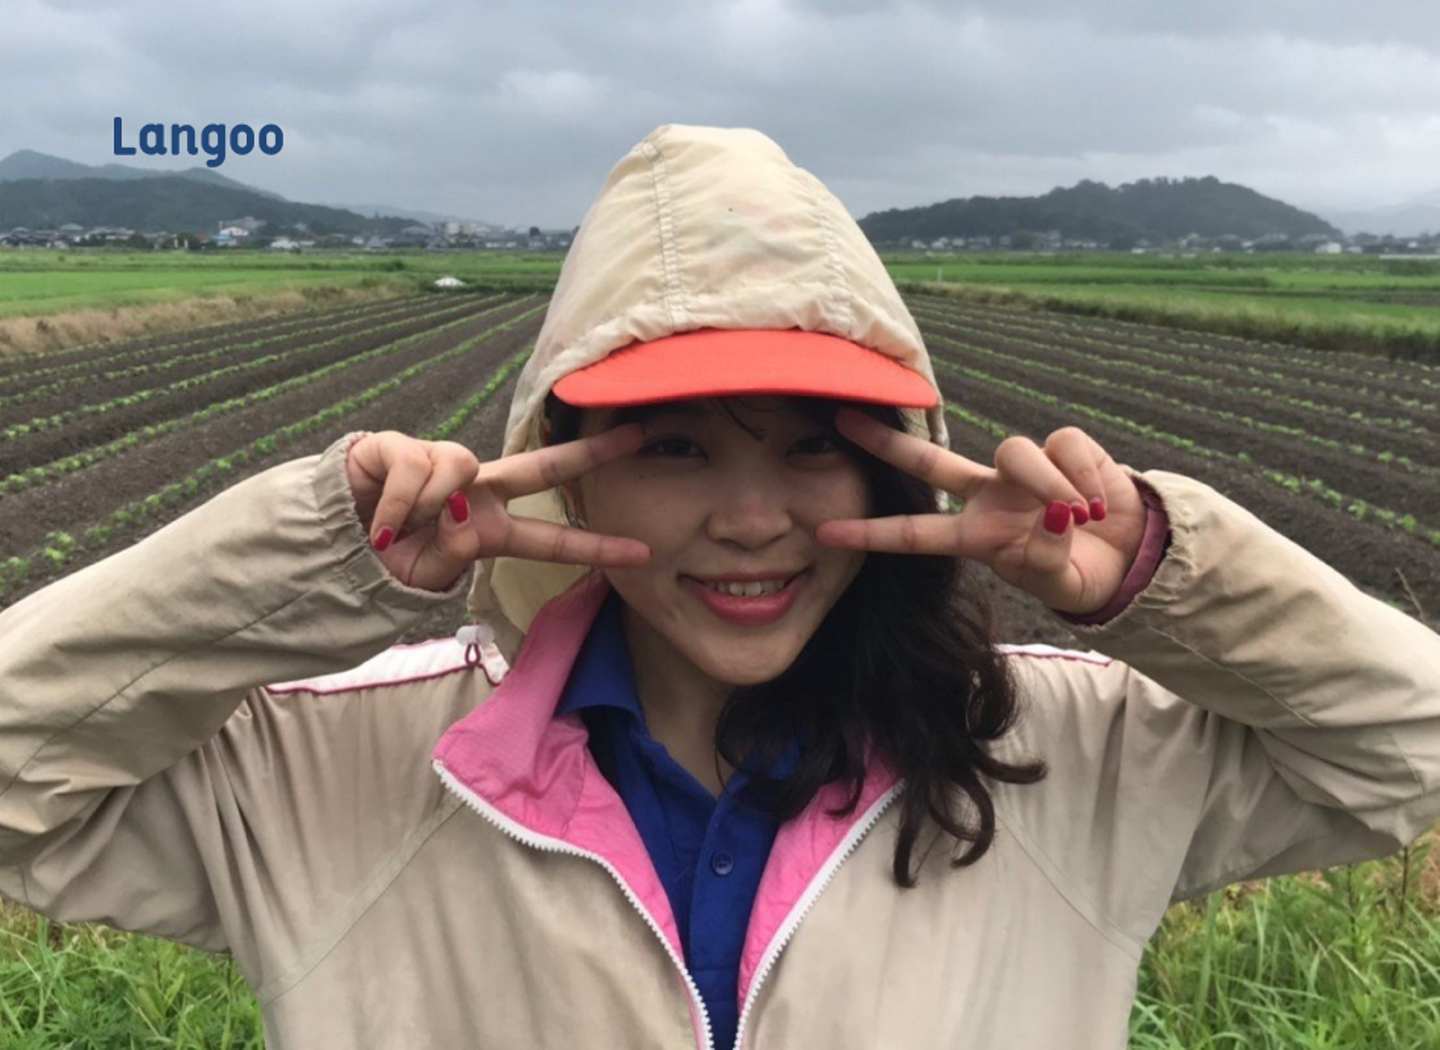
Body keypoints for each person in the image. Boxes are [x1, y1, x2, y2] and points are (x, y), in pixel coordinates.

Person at [1, 124, 1437, 1050]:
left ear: (894, 466)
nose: (753, 521)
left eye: (813, 446)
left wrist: (1168, 578)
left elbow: (1408, 745)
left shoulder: (1060, 754)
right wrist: (323, 551)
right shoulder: (334, 774)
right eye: (675, 447)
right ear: (566, 473)